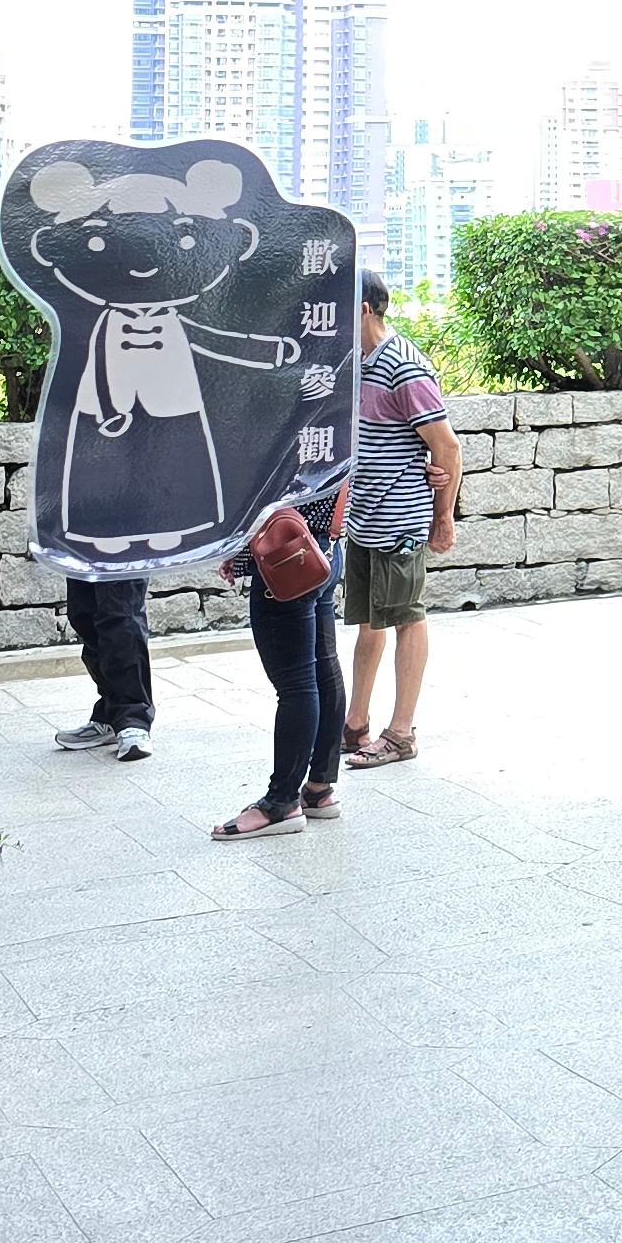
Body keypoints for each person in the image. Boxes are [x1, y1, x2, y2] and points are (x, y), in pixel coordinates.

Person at [340, 278, 458, 769]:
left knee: (407, 616)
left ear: (364, 309)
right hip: (364, 517)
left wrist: (443, 517)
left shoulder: (404, 365)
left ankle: (401, 733)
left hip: (400, 517)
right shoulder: (356, 361)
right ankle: (355, 724)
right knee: (371, 620)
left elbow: (447, 447)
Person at [213, 473, 345, 841]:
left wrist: (239, 549)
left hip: (286, 552)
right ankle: (319, 788)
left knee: (296, 684)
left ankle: (281, 802)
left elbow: (267, 482)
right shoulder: (337, 433)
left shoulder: (289, 432)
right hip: (324, 547)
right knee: (323, 667)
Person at [52, 570, 154, 761]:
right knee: (83, 612)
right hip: (85, 551)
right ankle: (110, 716)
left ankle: (133, 720)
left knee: (121, 614)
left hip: (123, 551)